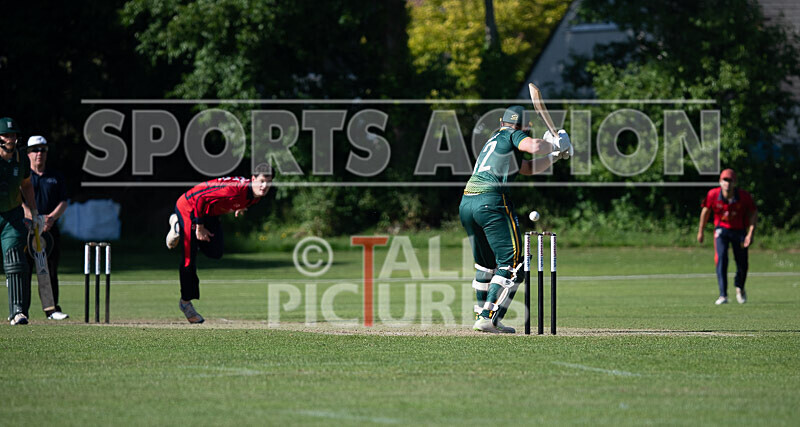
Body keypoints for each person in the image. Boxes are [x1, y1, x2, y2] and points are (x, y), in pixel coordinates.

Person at [460, 106, 571, 333]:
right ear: (525, 127)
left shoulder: (494, 140)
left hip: (467, 202)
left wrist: (554, 156)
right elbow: (533, 146)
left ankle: (484, 316)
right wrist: (554, 143)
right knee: (514, 264)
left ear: (502, 121)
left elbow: (527, 168)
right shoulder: (513, 134)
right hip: (491, 201)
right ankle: (488, 317)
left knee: (486, 265)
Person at [165, 172, 273, 323]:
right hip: (189, 206)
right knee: (189, 260)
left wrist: (241, 205)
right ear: (253, 179)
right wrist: (200, 227)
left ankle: (184, 231)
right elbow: (201, 198)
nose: (264, 186)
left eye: (268, 182)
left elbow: (232, 200)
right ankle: (185, 303)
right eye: (261, 181)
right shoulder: (236, 189)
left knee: (215, 252)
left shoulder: (255, 195)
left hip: (208, 212)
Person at [0, 117, 46, 325]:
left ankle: (18, 311)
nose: (11, 139)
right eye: (6, 135)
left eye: (13, 135)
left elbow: (27, 185)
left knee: (16, 260)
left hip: (11, 215)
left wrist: (34, 211)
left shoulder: (20, 159)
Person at [21, 136, 68, 320]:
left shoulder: (55, 176)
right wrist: (32, 217)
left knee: (49, 270)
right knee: (24, 270)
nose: (39, 153)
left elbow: (64, 201)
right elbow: (19, 202)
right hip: (27, 230)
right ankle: (21, 310)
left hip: (49, 230)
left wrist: (50, 219)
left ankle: (51, 310)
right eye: (35, 150)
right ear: (28, 153)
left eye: (43, 149)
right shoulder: (24, 176)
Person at [697, 168, 757, 305]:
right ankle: (723, 294)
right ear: (720, 181)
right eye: (725, 180)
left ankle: (740, 287)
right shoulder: (713, 194)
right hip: (721, 230)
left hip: (739, 230)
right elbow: (705, 211)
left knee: (742, 263)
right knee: (721, 258)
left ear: (735, 182)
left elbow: (753, 213)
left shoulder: (743, 196)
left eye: (730, 180)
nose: (727, 183)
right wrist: (701, 230)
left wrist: (750, 233)